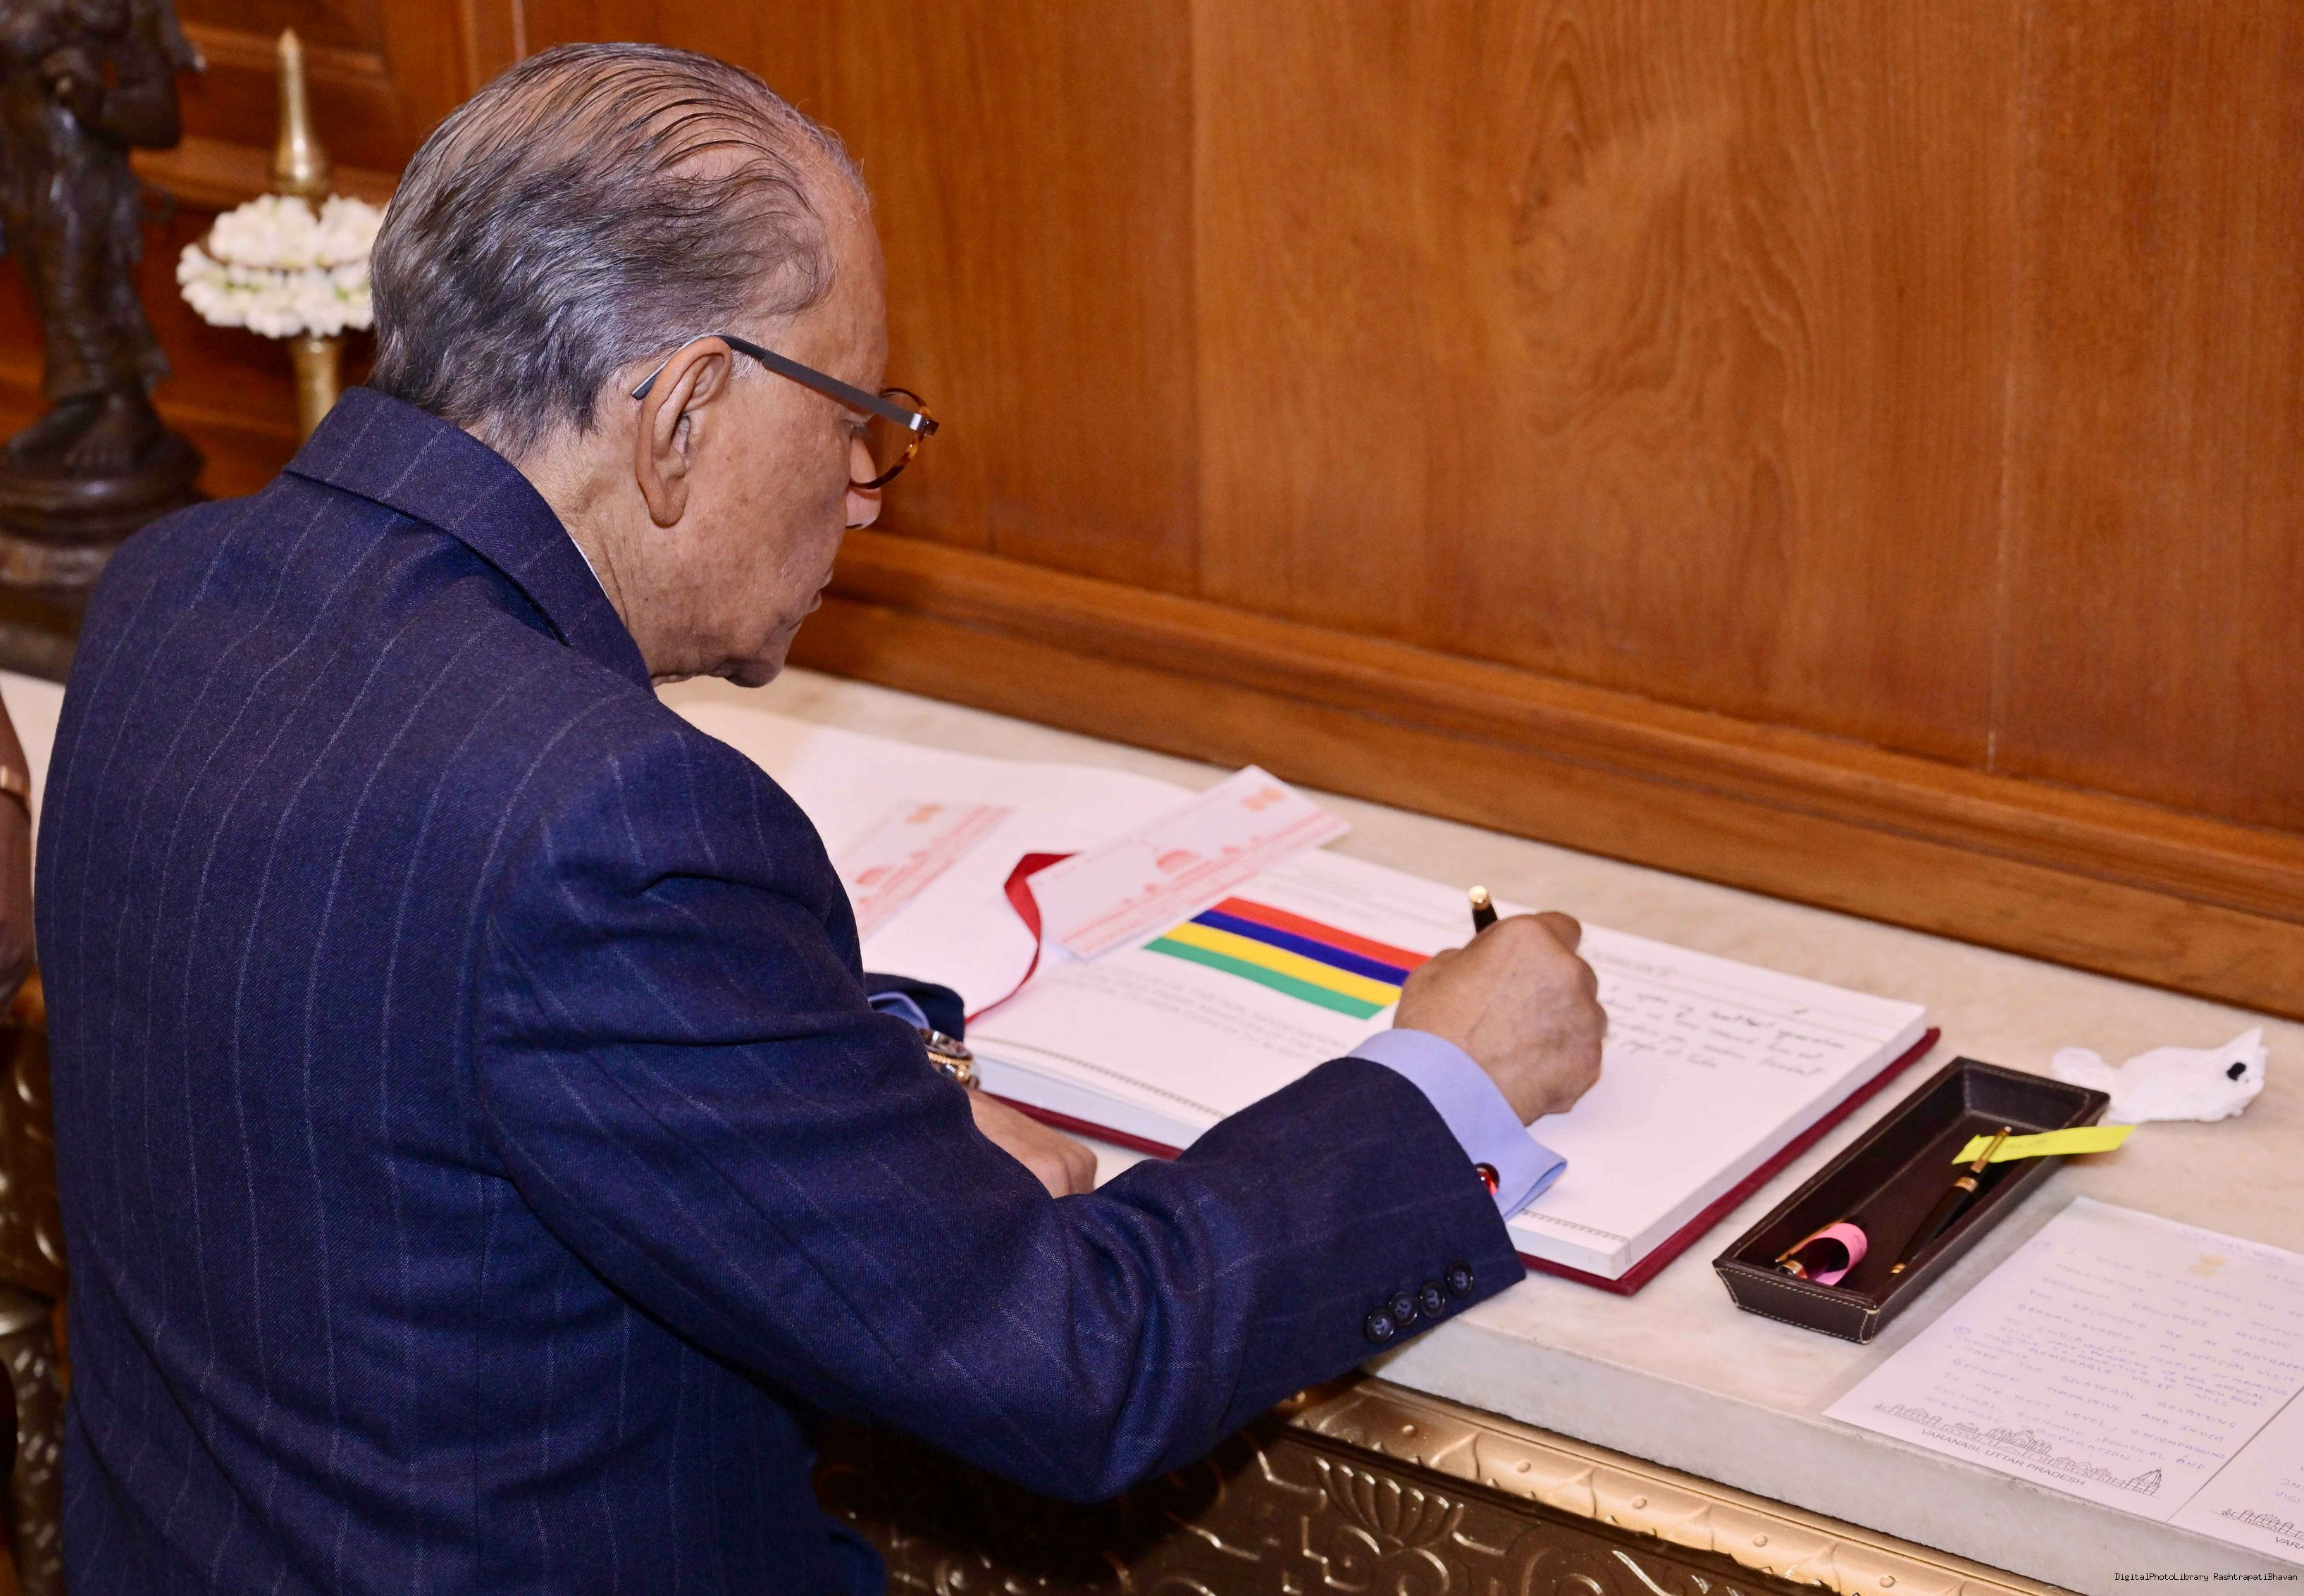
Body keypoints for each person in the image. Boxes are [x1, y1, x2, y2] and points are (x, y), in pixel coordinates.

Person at [36, 44, 1606, 1595]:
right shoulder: (606, 817)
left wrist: (855, 1084)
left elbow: (427, 1008)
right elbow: (1074, 1356)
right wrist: (1443, 1081)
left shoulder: (174, 594)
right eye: (854, 413)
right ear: (682, 415)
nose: (865, 481)